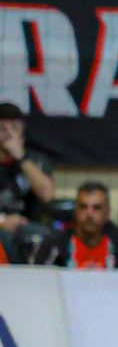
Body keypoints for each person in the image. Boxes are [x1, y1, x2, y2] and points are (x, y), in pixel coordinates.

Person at [0, 103, 55, 256]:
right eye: (3, 128)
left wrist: (21, 157)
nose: (9, 133)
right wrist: (2, 221)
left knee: (42, 237)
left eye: (14, 127)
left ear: (22, 128)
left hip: (29, 227)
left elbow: (47, 195)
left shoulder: (36, 161)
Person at [32, 182, 118, 269]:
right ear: (76, 211)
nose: (89, 214)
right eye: (83, 207)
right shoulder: (54, 245)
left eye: (97, 208)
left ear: (107, 213)